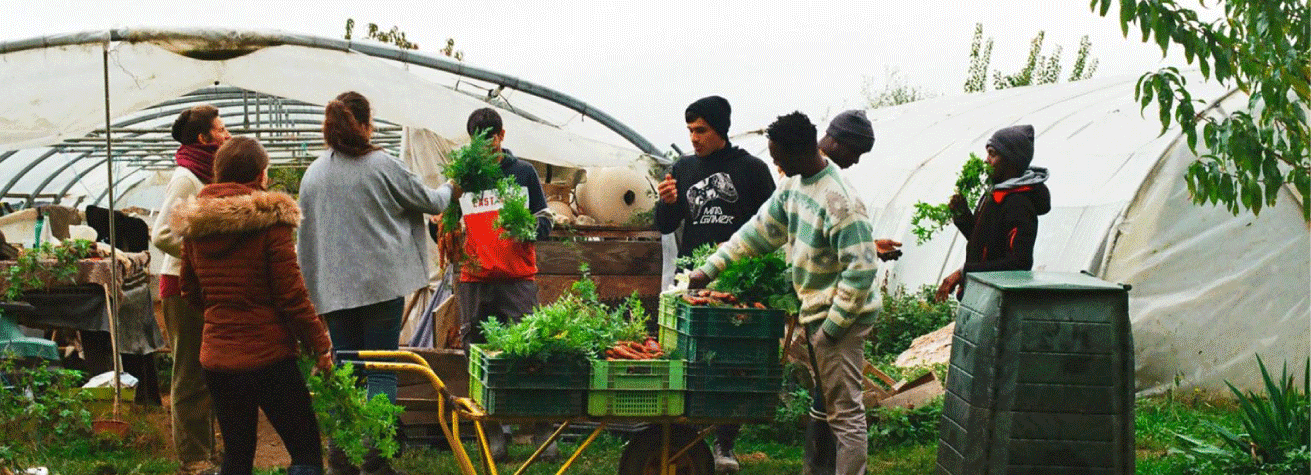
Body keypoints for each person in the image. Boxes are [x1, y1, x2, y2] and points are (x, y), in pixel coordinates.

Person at [687, 111, 882, 475]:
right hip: (817, 313)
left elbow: (862, 272)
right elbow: (759, 231)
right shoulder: (794, 186)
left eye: (777, 154)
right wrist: (709, 268)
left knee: (846, 415)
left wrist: (831, 331)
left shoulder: (840, 200)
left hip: (840, 319)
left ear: (800, 151)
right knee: (827, 408)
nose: (774, 161)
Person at [297, 91, 454, 475]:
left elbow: (305, 238)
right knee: (381, 368)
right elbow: (432, 202)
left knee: (345, 370)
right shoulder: (383, 165)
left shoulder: (314, 174)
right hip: (381, 286)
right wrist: (454, 186)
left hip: (335, 290)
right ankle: (375, 456)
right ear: (365, 125)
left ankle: (340, 453)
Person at [173, 136, 334, 475]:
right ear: (260, 175)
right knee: (305, 451)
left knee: (237, 455)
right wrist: (320, 344)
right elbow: (292, 296)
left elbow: (188, 288)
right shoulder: (270, 223)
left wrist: (221, 316)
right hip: (268, 356)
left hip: (217, 358)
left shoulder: (195, 226)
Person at [655, 95, 776, 472]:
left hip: (736, 277)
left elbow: (774, 223)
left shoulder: (751, 169)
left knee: (731, 361)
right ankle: (688, 437)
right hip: (695, 276)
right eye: (690, 130)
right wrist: (666, 203)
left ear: (720, 129)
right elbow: (665, 224)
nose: (693, 137)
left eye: (701, 130)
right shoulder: (683, 167)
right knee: (692, 357)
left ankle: (725, 445)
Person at [454, 107, 554, 461]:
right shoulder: (464, 178)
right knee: (477, 355)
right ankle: (495, 432)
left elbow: (546, 220)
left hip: (517, 279)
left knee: (531, 353)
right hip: (474, 280)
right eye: (478, 141)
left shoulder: (523, 173)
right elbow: (446, 221)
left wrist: (527, 227)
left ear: (502, 135)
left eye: (491, 138)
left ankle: (541, 428)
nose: (486, 146)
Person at [150, 104, 229, 475]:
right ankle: (193, 458)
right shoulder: (186, 177)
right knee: (190, 373)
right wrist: (205, 259)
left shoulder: (207, 173)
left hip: (199, 284)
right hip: (182, 284)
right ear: (204, 138)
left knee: (207, 369)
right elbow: (162, 234)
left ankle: (205, 452)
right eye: (222, 129)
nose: (227, 135)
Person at [935, 125, 1050, 302]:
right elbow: (984, 240)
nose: (986, 160)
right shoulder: (995, 194)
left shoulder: (1018, 203)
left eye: (992, 154)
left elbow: (1019, 264)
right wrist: (963, 216)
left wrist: (964, 272)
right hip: (982, 297)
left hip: (997, 303)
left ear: (1011, 160)